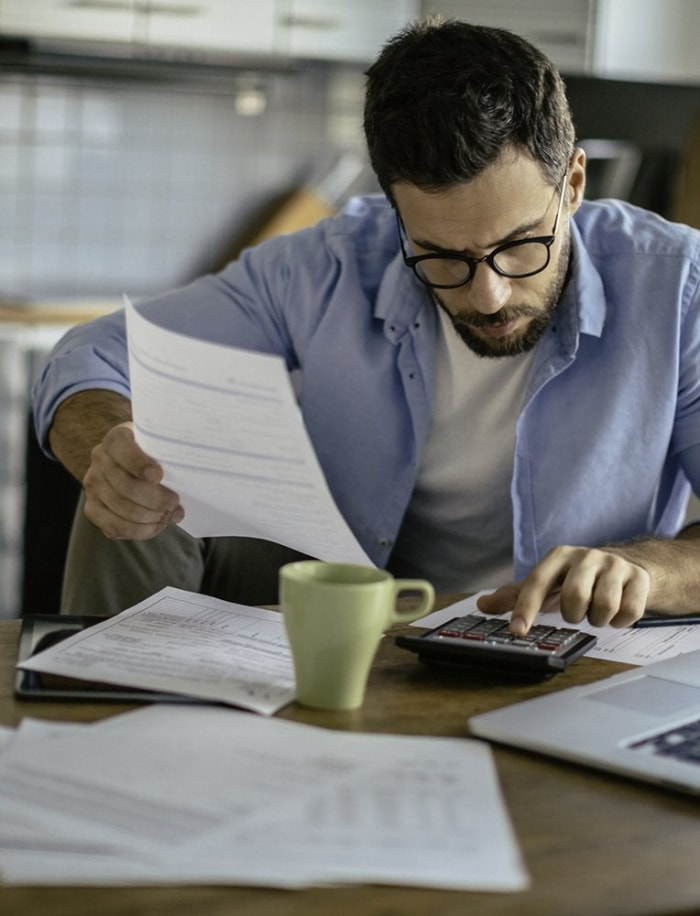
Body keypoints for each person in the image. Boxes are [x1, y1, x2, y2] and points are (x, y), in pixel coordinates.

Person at [33, 17, 700, 634]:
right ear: (396, 213)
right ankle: (105, 730)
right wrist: (107, 454)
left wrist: (646, 570)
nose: (490, 295)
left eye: (522, 246)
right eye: (441, 256)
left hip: (559, 640)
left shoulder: (678, 286)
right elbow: (90, 354)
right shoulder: (329, 263)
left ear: (574, 184)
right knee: (143, 459)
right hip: (348, 608)